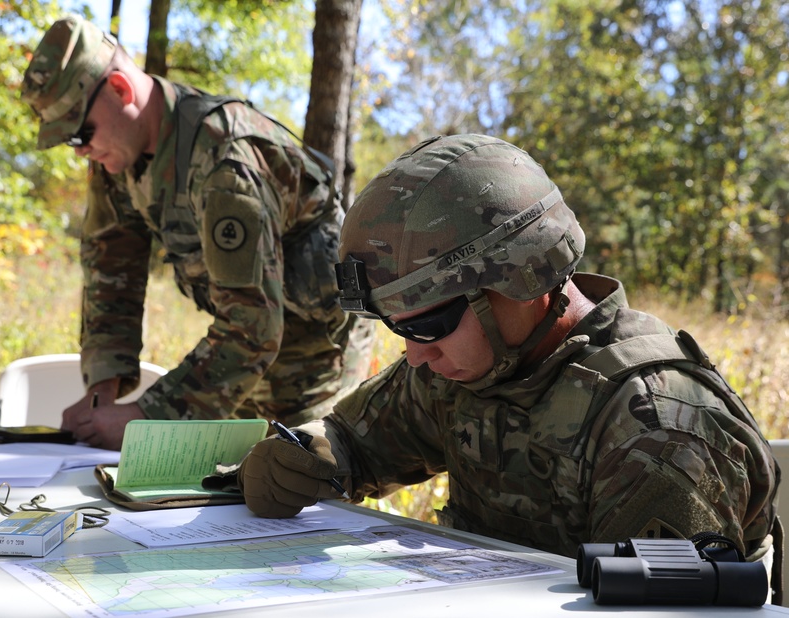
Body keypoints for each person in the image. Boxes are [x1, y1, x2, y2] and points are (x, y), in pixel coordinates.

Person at [236, 134, 780, 566]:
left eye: (428, 324)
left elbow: (661, 612)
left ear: (525, 278)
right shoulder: (466, 364)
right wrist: (302, 456)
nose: (416, 356)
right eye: (397, 329)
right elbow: (355, 442)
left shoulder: (657, 427)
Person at [19, 15, 371, 451]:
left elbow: (254, 324)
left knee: (303, 475)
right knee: (240, 483)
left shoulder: (224, 162)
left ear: (119, 89)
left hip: (317, 352)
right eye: (72, 142)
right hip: (248, 348)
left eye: (82, 132)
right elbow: (111, 271)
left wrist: (147, 417)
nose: (83, 150)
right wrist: (102, 390)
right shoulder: (116, 156)